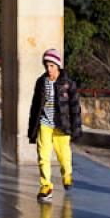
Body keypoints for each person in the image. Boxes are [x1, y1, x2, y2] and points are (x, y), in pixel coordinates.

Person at [27, 47, 82, 203]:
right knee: (43, 156)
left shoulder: (67, 83)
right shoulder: (41, 82)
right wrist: (32, 129)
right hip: (45, 124)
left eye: (52, 65)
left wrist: (76, 129)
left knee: (63, 155)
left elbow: (75, 107)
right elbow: (35, 107)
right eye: (46, 65)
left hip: (61, 125)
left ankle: (67, 175)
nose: (49, 69)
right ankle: (46, 186)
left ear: (58, 65)